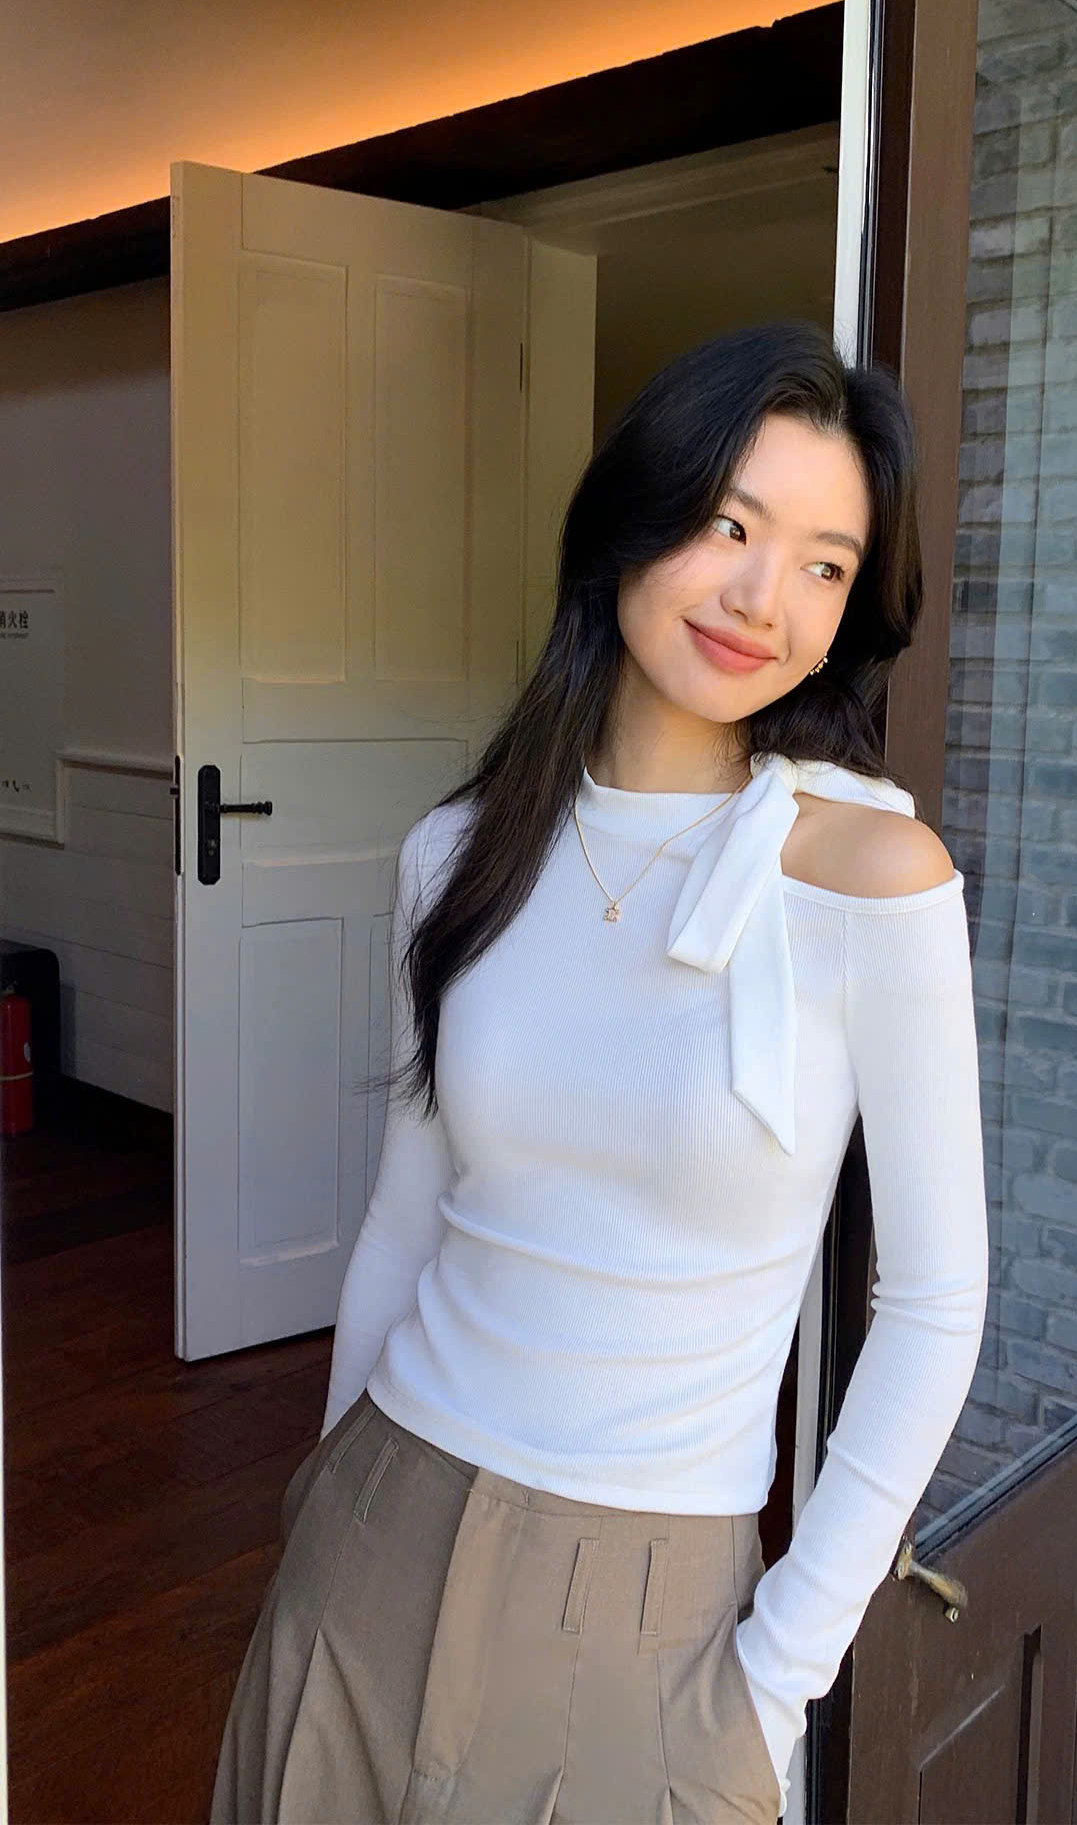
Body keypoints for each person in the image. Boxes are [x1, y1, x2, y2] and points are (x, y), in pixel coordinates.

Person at [211, 320, 988, 1824]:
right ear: (632, 516)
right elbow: (406, 1221)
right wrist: (323, 1493)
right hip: (374, 1528)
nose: (764, 599)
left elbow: (936, 1304)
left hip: (652, 1605)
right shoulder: (458, 851)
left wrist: (778, 1682)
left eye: (825, 565)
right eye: (730, 526)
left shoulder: (868, 880)